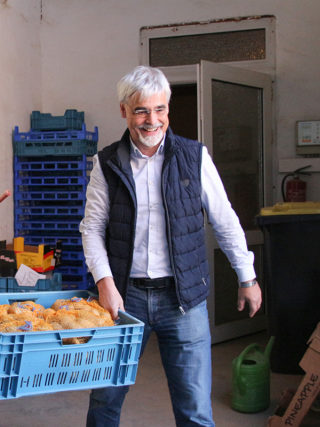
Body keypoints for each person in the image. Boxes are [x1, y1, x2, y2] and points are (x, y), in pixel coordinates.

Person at [79, 65, 263, 427]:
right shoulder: (107, 163)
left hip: (183, 300)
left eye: (159, 109)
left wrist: (247, 276)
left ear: (168, 109)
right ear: (124, 111)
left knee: (195, 408)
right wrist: (105, 283)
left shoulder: (194, 158)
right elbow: (92, 228)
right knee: (105, 402)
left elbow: (224, 220)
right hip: (124, 298)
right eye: (141, 110)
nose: (152, 120)